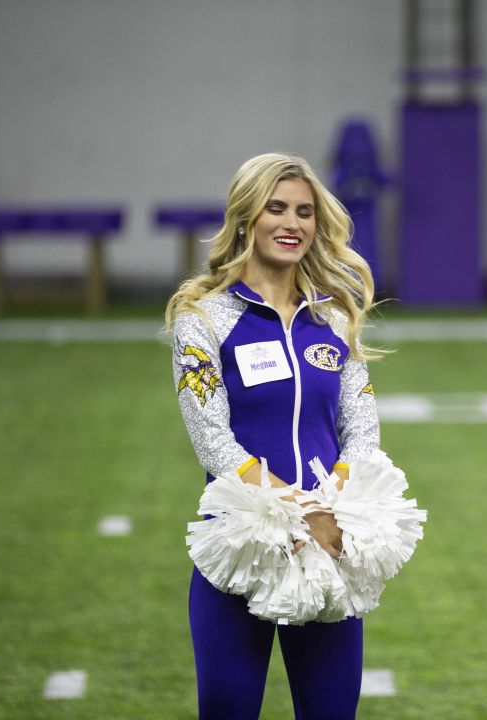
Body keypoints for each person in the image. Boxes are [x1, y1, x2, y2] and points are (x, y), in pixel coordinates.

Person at [165, 152, 383, 720]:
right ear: (245, 217)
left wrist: (328, 507)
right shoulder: (204, 317)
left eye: (305, 212)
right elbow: (211, 438)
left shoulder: (334, 318)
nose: (293, 223)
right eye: (276, 208)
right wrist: (294, 509)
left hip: (327, 541)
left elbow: (361, 431)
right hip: (240, 544)